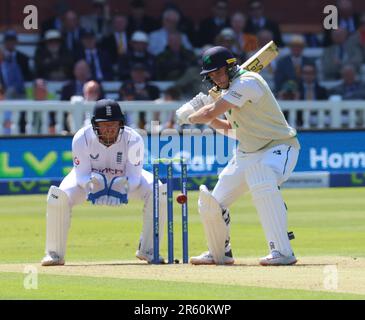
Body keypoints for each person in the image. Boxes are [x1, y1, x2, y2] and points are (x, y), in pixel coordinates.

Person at [176, 46, 300, 266]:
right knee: (211, 203)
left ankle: (282, 251)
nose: (215, 78)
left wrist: (191, 117)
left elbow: (208, 112)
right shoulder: (228, 92)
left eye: (218, 72)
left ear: (231, 66)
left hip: (279, 147)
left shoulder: (248, 82)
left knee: (262, 178)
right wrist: (207, 118)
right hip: (246, 153)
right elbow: (232, 129)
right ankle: (219, 252)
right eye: (211, 75)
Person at [41, 99, 167, 266]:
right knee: (58, 197)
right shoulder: (82, 137)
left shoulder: (134, 139)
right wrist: (94, 187)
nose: (109, 129)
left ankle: (149, 250)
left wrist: (119, 188)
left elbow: (135, 178)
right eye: (104, 124)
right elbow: (81, 176)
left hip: (125, 180)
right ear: (95, 125)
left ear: (121, 124)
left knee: (158, 191)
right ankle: (54, 254)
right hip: (90, 180)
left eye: (113, 124)